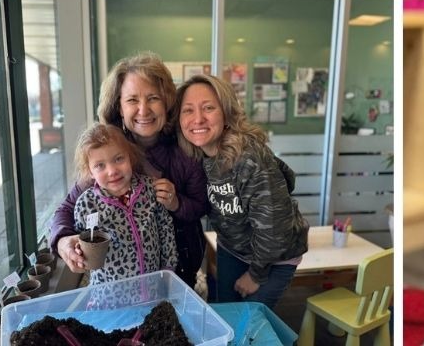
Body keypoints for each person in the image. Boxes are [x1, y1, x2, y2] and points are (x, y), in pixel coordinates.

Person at [50, 54, 206, 286]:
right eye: (132, 100)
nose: (144, 110)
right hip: (118, 283)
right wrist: (62, 241)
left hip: (179, 273)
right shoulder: (106, 152)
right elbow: (66, 208)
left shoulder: (186, 150)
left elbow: (202, 206)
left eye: (153, 98)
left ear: (166, 103)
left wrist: (177, 203)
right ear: (119, 108)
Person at [176, 75, 306, 309]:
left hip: (273, 256)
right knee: (227, 316)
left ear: (226, 113)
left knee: (251, 326)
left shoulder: (248, 158)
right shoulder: (199, 156)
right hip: (233, 249)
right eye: (188, 110)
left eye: (208, 108)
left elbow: (274, 227)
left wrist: (256, 275)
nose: (198, 118)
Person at [69, 124, 176, 286]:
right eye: (100, 165)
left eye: (119, 159)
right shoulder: (86, 204)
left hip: (152, 286)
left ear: (130, 158)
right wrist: (79, 252)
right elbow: (80, 240)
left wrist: (168, 267)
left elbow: (165, 227)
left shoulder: (149, 189)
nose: (112, 171)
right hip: (109, 295)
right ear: (90, 172)